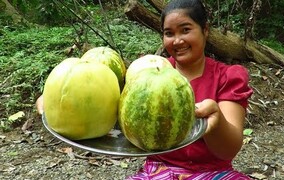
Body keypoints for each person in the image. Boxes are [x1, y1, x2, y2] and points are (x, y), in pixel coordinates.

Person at [36, 0, 253, 179]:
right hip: (159, 172)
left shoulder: (228, 77)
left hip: (215, 173)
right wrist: (59, 97)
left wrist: (215, 119)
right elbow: (104, 99)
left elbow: (228, 149)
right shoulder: (145, 72)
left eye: (186, 30)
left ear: (205, 30)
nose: (177, 40)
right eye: (169, 33)